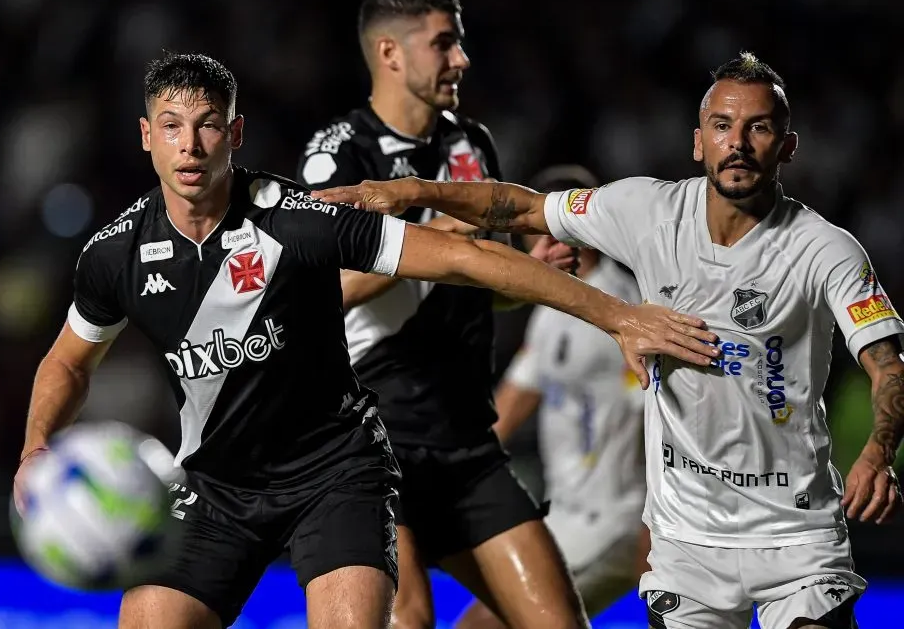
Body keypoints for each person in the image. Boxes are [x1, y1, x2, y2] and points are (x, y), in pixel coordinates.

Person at [13, 52, 720, 629]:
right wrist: (36, 445)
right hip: (217, 483)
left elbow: (464, 258)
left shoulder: (299, 220)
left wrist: (618, 315)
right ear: (146, 135)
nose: (189, 145)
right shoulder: (115, 255)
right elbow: (68, 361)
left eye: (206, 125)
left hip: (335, 471)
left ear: (235, 134)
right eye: (171, 126)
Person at [313, 52, 904, 629]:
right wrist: (410, 192)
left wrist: (877, 451)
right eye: (723, 126)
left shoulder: (827, 249)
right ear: (699, 142)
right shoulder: (647, 212)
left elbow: (887, 364)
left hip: (794, 534)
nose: (739, 143)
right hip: (688, 543)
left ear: (788, 145)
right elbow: (522, 207)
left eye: (759, 128)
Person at [297, 0, 589, 629]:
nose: (461, 59)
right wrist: (438, 237)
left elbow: (467, 287)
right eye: (443, 44)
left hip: (464, 441)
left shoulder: (470, 145)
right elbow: (320, 294)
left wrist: (517, 271)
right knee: (410, 617)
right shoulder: (339, 155)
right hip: (369, 437)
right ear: (390, 54)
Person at [455, 165, 652, 628]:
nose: (522, 237)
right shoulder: (551, 308)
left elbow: (658, 416)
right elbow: (512, 403)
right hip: (563, 517)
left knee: (484, 626)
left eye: (528, 222)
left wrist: (655, 527)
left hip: (612, 521)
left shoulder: (619, 309)